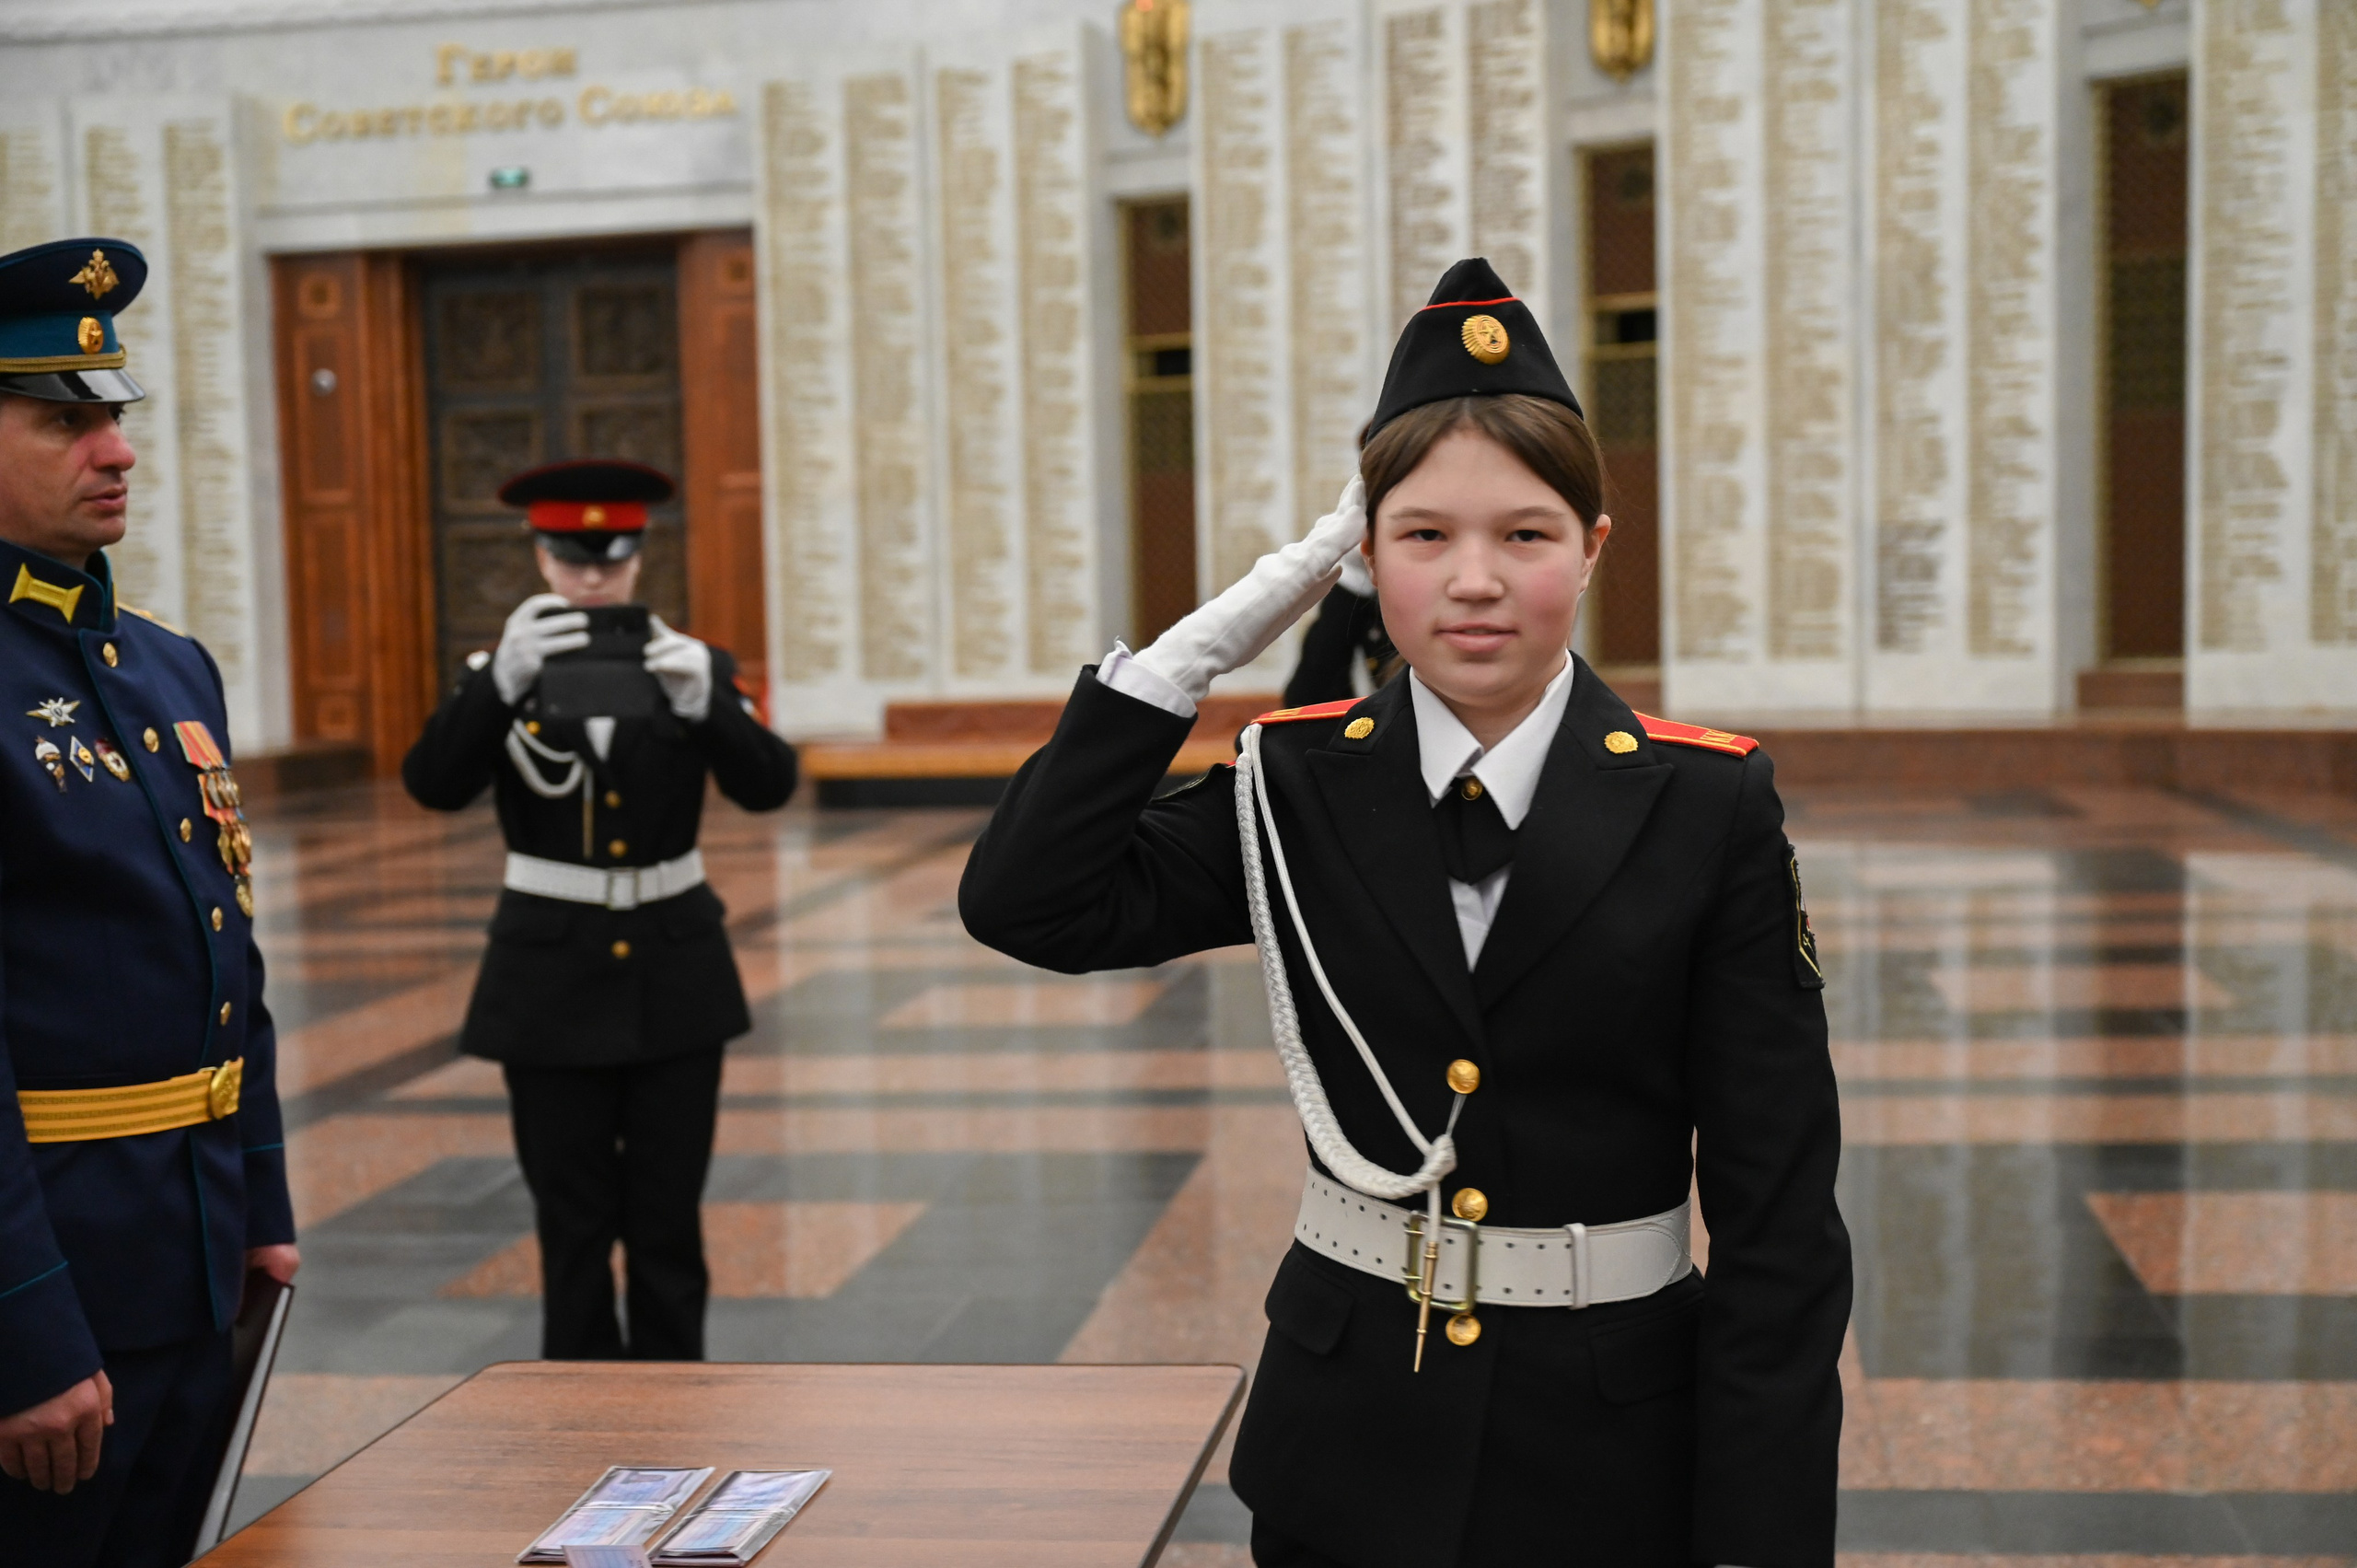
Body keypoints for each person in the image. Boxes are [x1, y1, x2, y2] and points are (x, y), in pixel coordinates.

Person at [960, 259, 1849, 1568]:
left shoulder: (1707, 802)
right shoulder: (1293, 781)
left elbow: (1778, 1209)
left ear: (1594, 547)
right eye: (1425, 534)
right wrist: (1199, 650)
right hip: (1350, 1435)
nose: (1476, 578)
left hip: (1611, 1451)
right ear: (1365, 557)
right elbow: (1030, 901)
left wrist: (1765, 1541)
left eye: (1526, 534)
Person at [0, 237, 299, 1565]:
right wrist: (21, 1326)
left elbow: (227, 944)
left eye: (111, 418)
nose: (115, 452)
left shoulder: (166, 664)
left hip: (191, 1242)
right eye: (64, 422)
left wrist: (264, 1201)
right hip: (52, 1272)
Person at [402, 459, 796, 1362]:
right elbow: (433, 784)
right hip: (547, 978)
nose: (591, 578)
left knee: (667, 1222)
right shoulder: (495, 674)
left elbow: (770, 785)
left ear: (637, 559)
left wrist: (709, 702)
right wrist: (497, 682)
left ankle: (673, 1402)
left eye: (609, 561)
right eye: (572, 561)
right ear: (541, 558)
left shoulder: (692, 666)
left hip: (674, 969)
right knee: (571, 1225)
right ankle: (578, 1411)